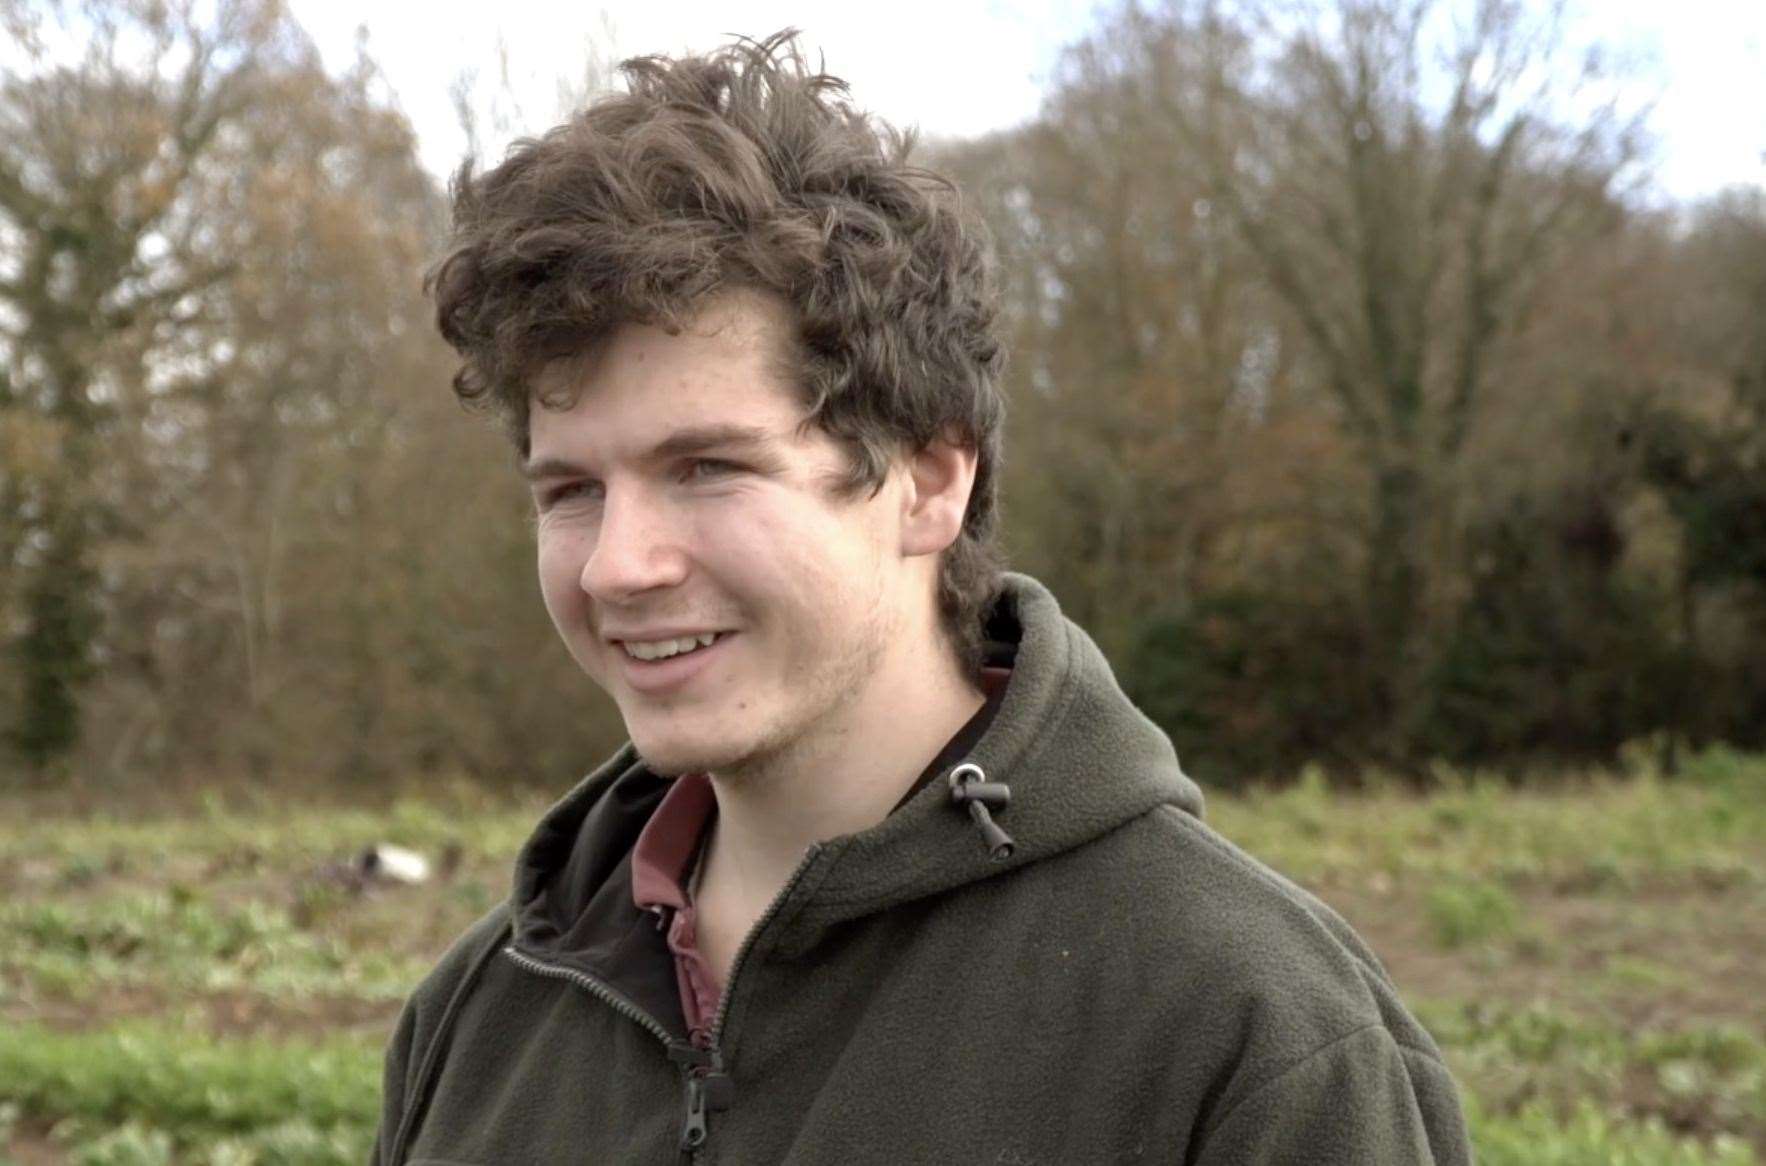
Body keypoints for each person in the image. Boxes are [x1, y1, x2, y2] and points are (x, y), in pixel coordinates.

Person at [374, 30, 1471, 1165]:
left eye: (707, 467)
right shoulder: (480, 1013)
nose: (615, 563)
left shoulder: (1247, 1037)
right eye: (569, 489)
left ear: (931, 480)